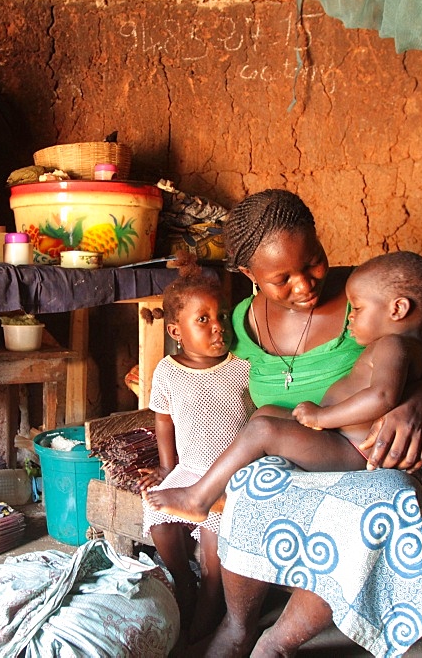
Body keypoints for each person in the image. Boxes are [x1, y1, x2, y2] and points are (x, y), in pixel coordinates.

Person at [177, 189, 422, 658]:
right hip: (298, 459)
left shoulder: (368, 296)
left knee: (375, 504)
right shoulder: (241, 322)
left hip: (371, 459)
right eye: (281, 278)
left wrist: (414, 405)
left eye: (313, 261)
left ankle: (279, 641)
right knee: (249, 481)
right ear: (249, 275)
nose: (305, 285)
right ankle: (237, 625)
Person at [144, 250, 422, 524]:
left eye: (358, 310)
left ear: (397, 308)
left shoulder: (392, 346)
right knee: (268, 413)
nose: (351, 317)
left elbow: (381, 397)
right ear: (251, 275)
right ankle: (221, 489)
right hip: (339, 436)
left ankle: (198, 497)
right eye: (281, 277)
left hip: (353, 449)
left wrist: (322, 416)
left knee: (262, 429)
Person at [135, 253, 254, 644]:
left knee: (218, 528)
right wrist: (168, 472)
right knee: (156, 512)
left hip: (231, 474)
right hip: (189, 468)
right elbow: (163, 421)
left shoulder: (242, 367)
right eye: (203, 320)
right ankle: (182, 581)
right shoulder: (168, 370)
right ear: (175, 330)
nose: (218, 328)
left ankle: (211, 597)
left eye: (221, 317)